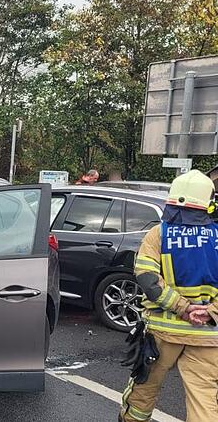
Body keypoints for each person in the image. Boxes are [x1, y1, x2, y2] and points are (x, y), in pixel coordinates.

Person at [120, 170, 218, 422]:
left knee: (143, 391)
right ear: (208, 203)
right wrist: (210, 312)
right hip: (208, 336)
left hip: (163, 335)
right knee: (203, 399)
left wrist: (182, 308)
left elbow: (146, 277)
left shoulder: (159, 234)